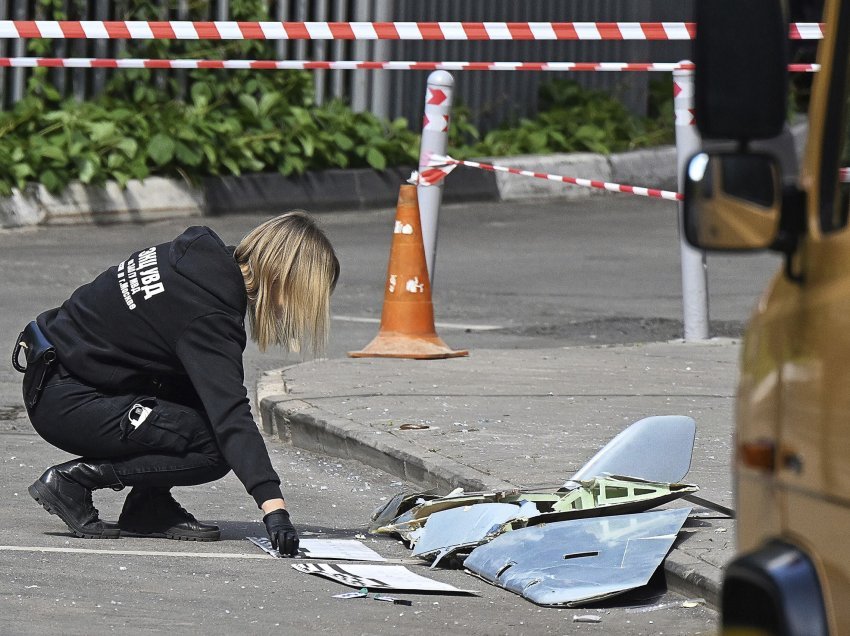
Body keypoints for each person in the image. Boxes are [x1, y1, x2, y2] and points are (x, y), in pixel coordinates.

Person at [12, 212, 339, 556]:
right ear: (286, 280)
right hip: (67, 401)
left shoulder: (192, 260)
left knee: (195, 390)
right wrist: (275, 509)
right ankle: (75, 480)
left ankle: (148, 507)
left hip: (58, 376)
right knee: (213, 449)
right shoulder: (208, 312)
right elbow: (230, 414)